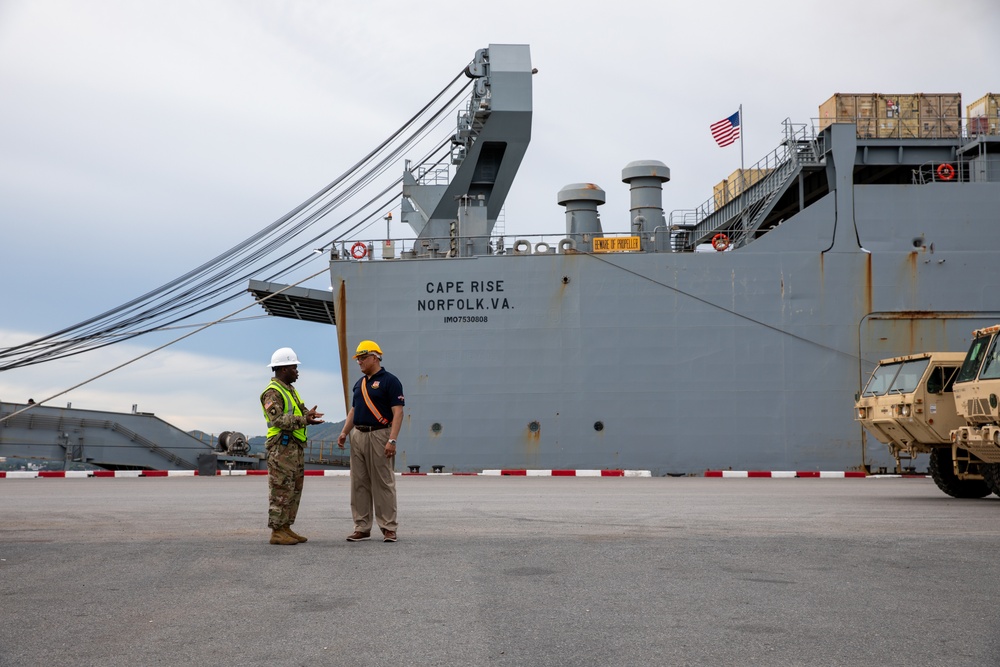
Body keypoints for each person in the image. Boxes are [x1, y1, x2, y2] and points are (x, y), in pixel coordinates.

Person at [337, 340, 404, 543]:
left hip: (380, 434)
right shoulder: (360, 384)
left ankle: (388, 527)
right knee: (359, 483)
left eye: (362, 358)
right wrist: (344, 432)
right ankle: (362, 526)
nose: (359, 362)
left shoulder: (390, 381)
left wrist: (392, 439)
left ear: (375, 357)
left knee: (383, 482)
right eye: (358, 359)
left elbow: (398, 412)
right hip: (358, 435)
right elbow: (354, 410)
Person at [261, 347, 324, 546]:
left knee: (293, 489)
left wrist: (309, 415)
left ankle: (286, 526)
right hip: (281, 448)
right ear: (283, 369)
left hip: (293, 447)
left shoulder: (290, 390)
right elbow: (278, 419)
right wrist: (304, 419)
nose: (297, 371)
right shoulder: (271, 393)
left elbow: (299, 410)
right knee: (280, 488)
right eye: (294, 367)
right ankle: (277, 531)